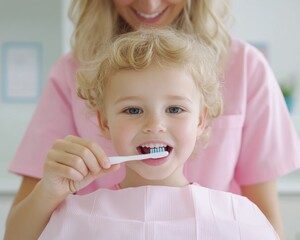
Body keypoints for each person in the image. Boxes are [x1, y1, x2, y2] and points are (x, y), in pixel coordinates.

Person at [4, 0, 300, 239]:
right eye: (133, 110)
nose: (154, 125)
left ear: (202, 120)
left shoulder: (240, 217)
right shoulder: (71, 216)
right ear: (102, 122)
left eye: (175, 109)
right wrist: (50, 191)